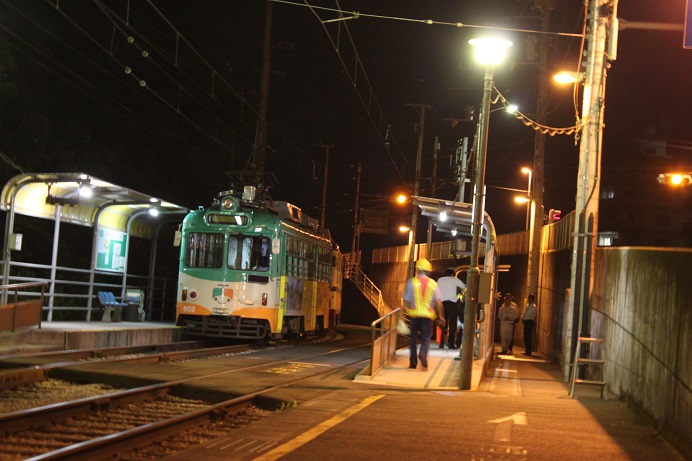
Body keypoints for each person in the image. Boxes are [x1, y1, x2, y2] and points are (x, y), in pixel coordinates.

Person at [402, 258, 443, 371]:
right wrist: (440, 317)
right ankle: (423, 354)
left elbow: (406, 300)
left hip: (414, 315)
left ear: (418, 269)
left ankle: (412, 363)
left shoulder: (411, 282)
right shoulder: (433, 284)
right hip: (428, 316)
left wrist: (402, 315)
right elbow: (438, 302)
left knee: (413, 339)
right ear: (428, 271)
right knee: (426, 338)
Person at [436, 268, 465, 349]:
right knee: (452, 326)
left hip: (442, 304)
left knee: (442, 324)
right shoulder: (455, 280)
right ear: (453, 274)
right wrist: (460, 296)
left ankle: (441, 343)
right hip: (452, 304)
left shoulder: (439, 280)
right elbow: (464, 288)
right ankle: (451, 343)